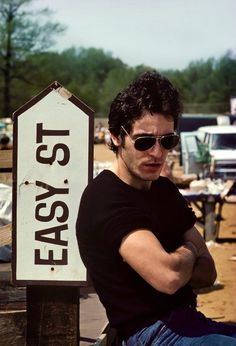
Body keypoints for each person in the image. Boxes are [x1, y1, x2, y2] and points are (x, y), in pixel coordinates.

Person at [76, 71, 236, 345]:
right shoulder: (105, 198)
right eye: (145, 141)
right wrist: (189, 249)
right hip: (151, 334)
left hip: (189, 320)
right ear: (116, 137)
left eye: (168, 141)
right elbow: (170, 277)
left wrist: (177, 259)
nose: (158, 153)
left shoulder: (164, 189)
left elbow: (209, 272)